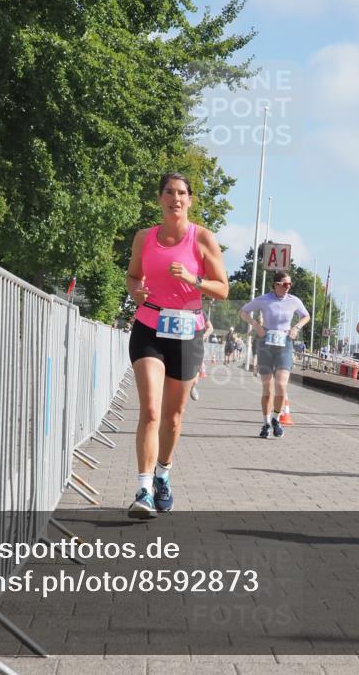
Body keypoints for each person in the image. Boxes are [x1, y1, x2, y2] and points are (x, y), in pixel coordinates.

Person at [125, 173, 228, 518]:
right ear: (159, 199)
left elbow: (223, 289)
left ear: (190, 199)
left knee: (172, 416)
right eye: (169, 192)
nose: (175, 198)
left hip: (187, 331)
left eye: (182, 193)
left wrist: (192, 279)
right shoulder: (144, 238)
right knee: (151, 411)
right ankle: (143, 490)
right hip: (149, 326)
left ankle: (163, 475)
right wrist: (135, 290)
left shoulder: (203, 239)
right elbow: (133, 276)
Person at [239, 271, 310, 439]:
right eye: (285, 284)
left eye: (290, 284)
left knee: (281, 385)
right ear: (276, 284)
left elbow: (306, 316)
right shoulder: (264, 299)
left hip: (285, 344)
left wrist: (296, 328)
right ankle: (266, 423)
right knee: (267, 388)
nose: (288, 287)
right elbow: (243, 312)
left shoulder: (294, 300)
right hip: (266, 344)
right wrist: (256, 326)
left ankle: (276, 419)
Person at [190, 316, 214, 402]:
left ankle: (192, 386)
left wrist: (201, 338)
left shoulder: (200, 311)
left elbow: (210, 328)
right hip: (178, 345)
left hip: (195, 348)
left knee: (194, 380)